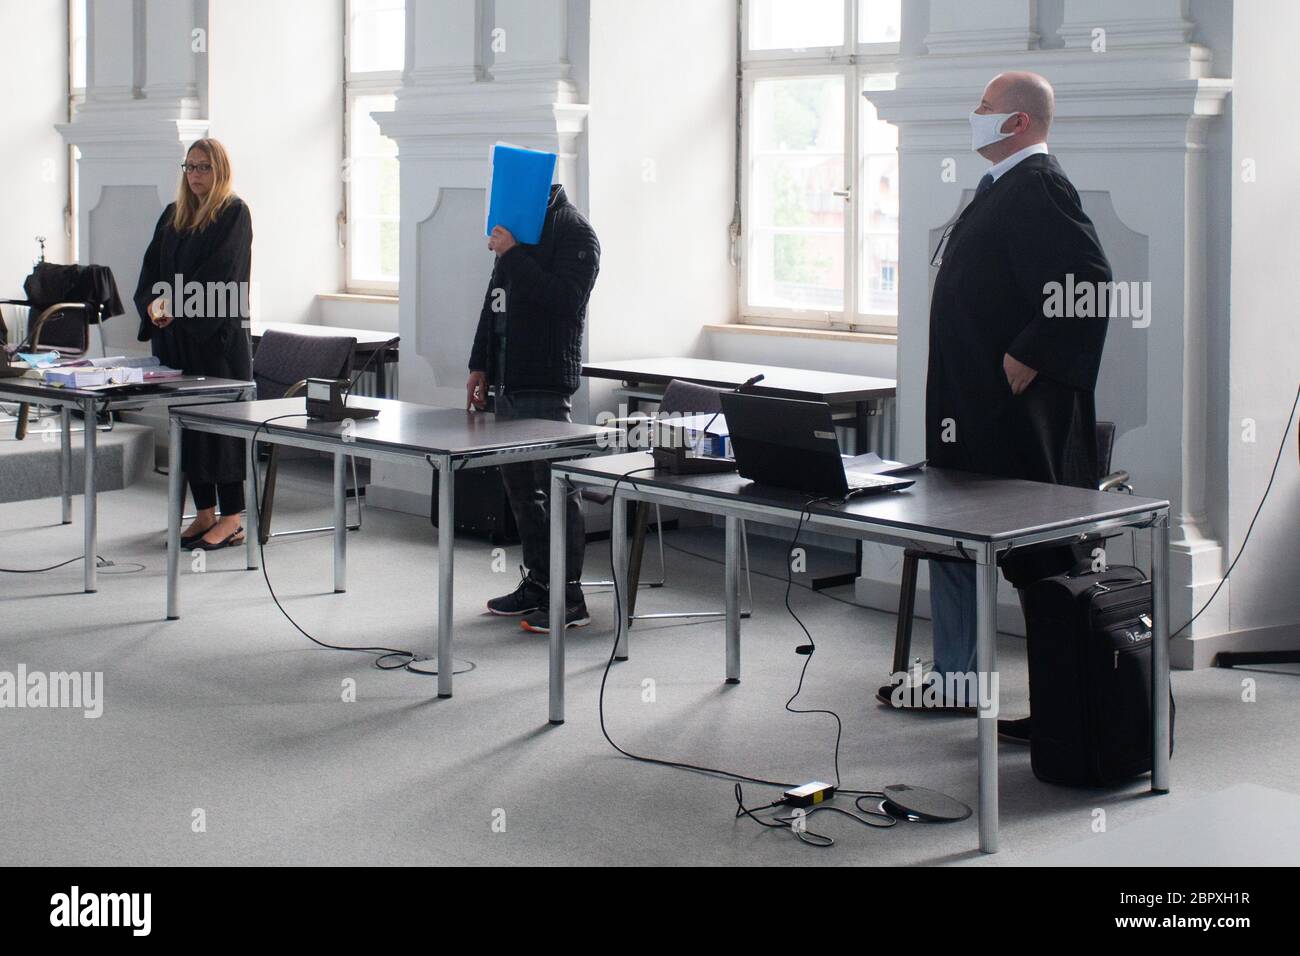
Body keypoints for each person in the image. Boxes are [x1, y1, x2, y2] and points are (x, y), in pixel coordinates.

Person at [878, 72, 1112, 735]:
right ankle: (957, 682)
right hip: (970, 416)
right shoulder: (1000, 187)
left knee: (1041, 564)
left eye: (984, 107)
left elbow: (1090, 282)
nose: (973, 114)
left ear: (1018, 123)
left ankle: (1065, 709)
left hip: (1017, 424)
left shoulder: (1039, 185)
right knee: (957, 545)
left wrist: (1031, 351)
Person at [467, 183, 600, 633]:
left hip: (544, 382)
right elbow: (493, 306)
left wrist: (513, 254)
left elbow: (563, 301)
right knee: (522, 492)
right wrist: (478, 365)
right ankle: (540, 583)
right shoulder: (516, 235)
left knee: (559, 489)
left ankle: (571, 597)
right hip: (506, 380)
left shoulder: (576, 233)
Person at [133, 138, 254, 551]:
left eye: (203, 167)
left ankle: (233, 518)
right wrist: (153, 306)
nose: (196, 175)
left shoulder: (233, 212)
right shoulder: (173, 215)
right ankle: (203, 513)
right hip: (178, 340)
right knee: (189, 427)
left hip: (217, 340)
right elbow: (151, 269)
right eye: (190, 167)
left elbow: (223, 274)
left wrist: (176, 304)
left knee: (220, 430)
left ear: (219, 170)